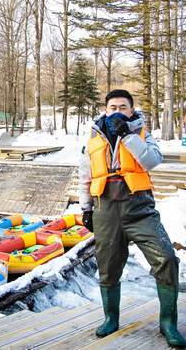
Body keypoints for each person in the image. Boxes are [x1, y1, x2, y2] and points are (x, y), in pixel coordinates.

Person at [79, 89, 185, 347]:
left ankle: (168, 323)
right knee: (108, 266)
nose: (117, 111)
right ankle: (111, 319)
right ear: (105, 109)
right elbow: (84, 175)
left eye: (123, 107)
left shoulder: (141, 133)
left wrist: (126, 134)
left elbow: (151, 161)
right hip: (105, 208)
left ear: (131, 110)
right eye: (112, 107)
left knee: (167, 258)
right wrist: (85, 209)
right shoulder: (93, 137)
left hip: (139, 207)